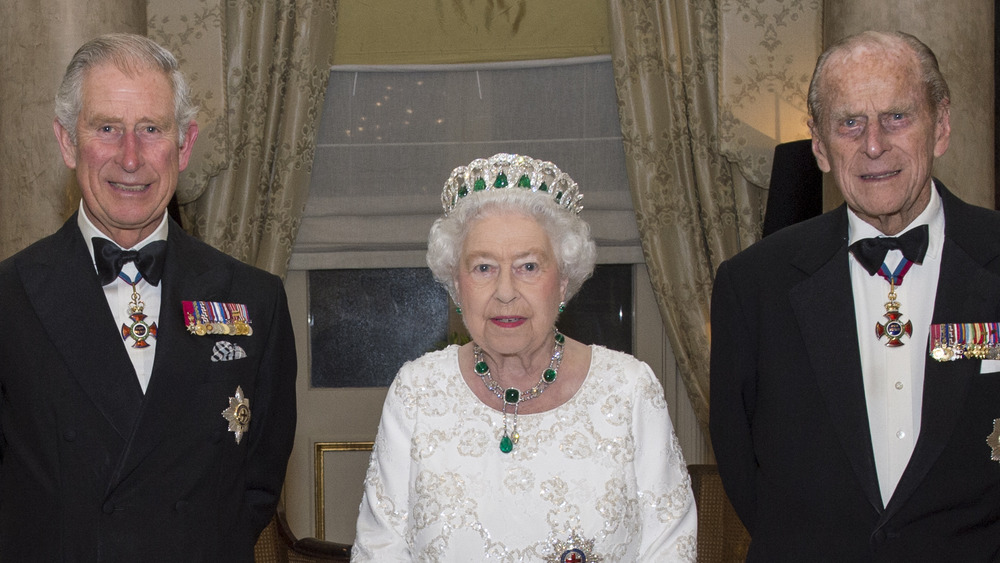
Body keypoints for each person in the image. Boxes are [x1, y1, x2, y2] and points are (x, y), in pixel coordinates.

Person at [0, 33, 297, 561]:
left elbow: (256, 484)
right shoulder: (8, 301)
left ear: (184, 145)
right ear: (68, 142)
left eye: (152, 129)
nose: (130, 158)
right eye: (107, 128)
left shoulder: (256, 302)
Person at [710, 30, 1000, 561]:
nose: (873, 145)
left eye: (897, 117)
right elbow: (740, 462)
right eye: (849, 123)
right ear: (819, 146)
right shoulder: (753, 286)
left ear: (941, 127)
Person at [352, 153, 697, 561]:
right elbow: (381, 549)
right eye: (483, 267)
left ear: (564, 280)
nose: (504, 291)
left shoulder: (629, 389)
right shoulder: (417, 391)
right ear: (456, 286)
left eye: (528, 266)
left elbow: (669, 547)